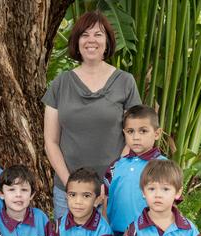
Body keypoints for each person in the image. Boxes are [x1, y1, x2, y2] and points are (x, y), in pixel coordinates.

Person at [43, 10, 141, 218]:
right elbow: (51, 141)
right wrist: (72, 187)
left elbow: (134, 138)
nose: (91, 40)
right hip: (68, 192)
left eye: (98, 34)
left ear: (107, 41)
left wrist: (110, 181)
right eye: (84, 34)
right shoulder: (61, 83)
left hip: (113, 191)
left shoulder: (125, 82)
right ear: (77, 41)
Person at [103, 105, 165, 236]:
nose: (136, 137)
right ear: (124, 133)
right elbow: (107, 199)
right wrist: (106, 227)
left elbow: (171, 205)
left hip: (147, 235)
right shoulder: (116, 166)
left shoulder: (162, 166)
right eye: (131, 131)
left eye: (143, 131)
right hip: (117, 232)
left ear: (156, 133)